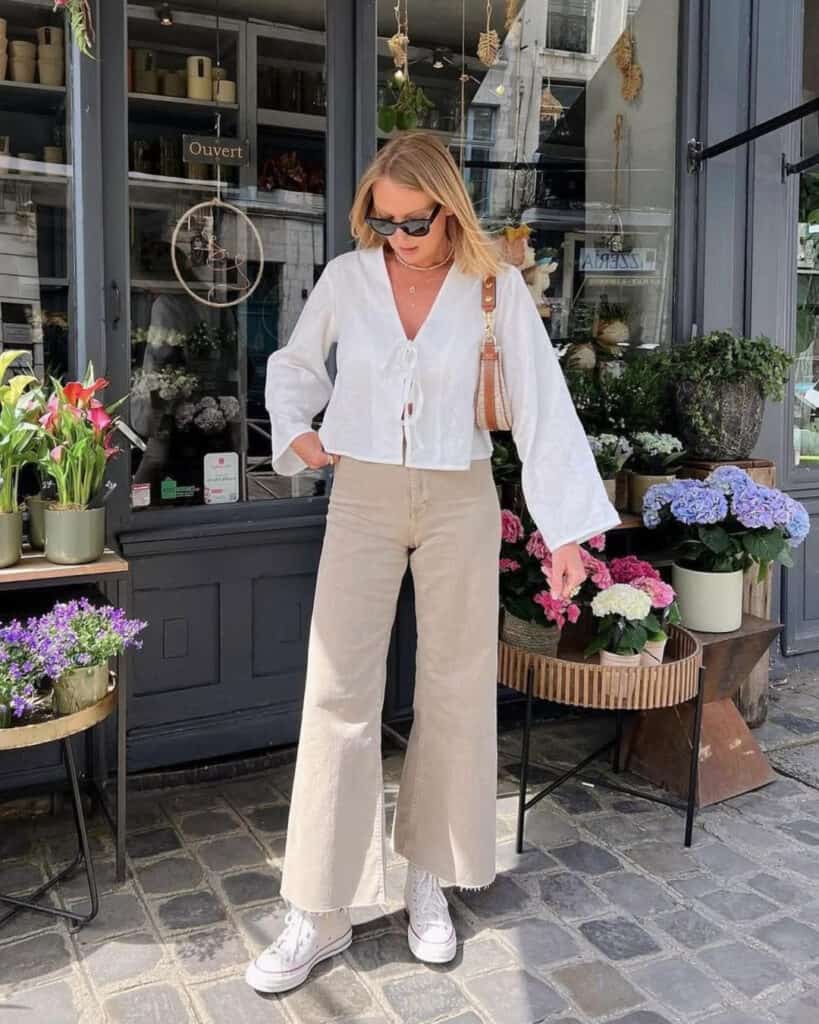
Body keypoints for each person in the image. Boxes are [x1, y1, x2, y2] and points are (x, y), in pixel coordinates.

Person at [247, 133, 619, 994]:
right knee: (337, 687)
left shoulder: (493, 289)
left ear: (447, 209)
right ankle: (319, 906)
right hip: (365, 492)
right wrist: (299, 433)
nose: (394, 236)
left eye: (410, 222)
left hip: (459, 494)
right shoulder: (348, 277)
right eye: (379, 220)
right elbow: (294, 364)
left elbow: (541, 407)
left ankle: (429, 877)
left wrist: (564, 532)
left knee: (454, 684)